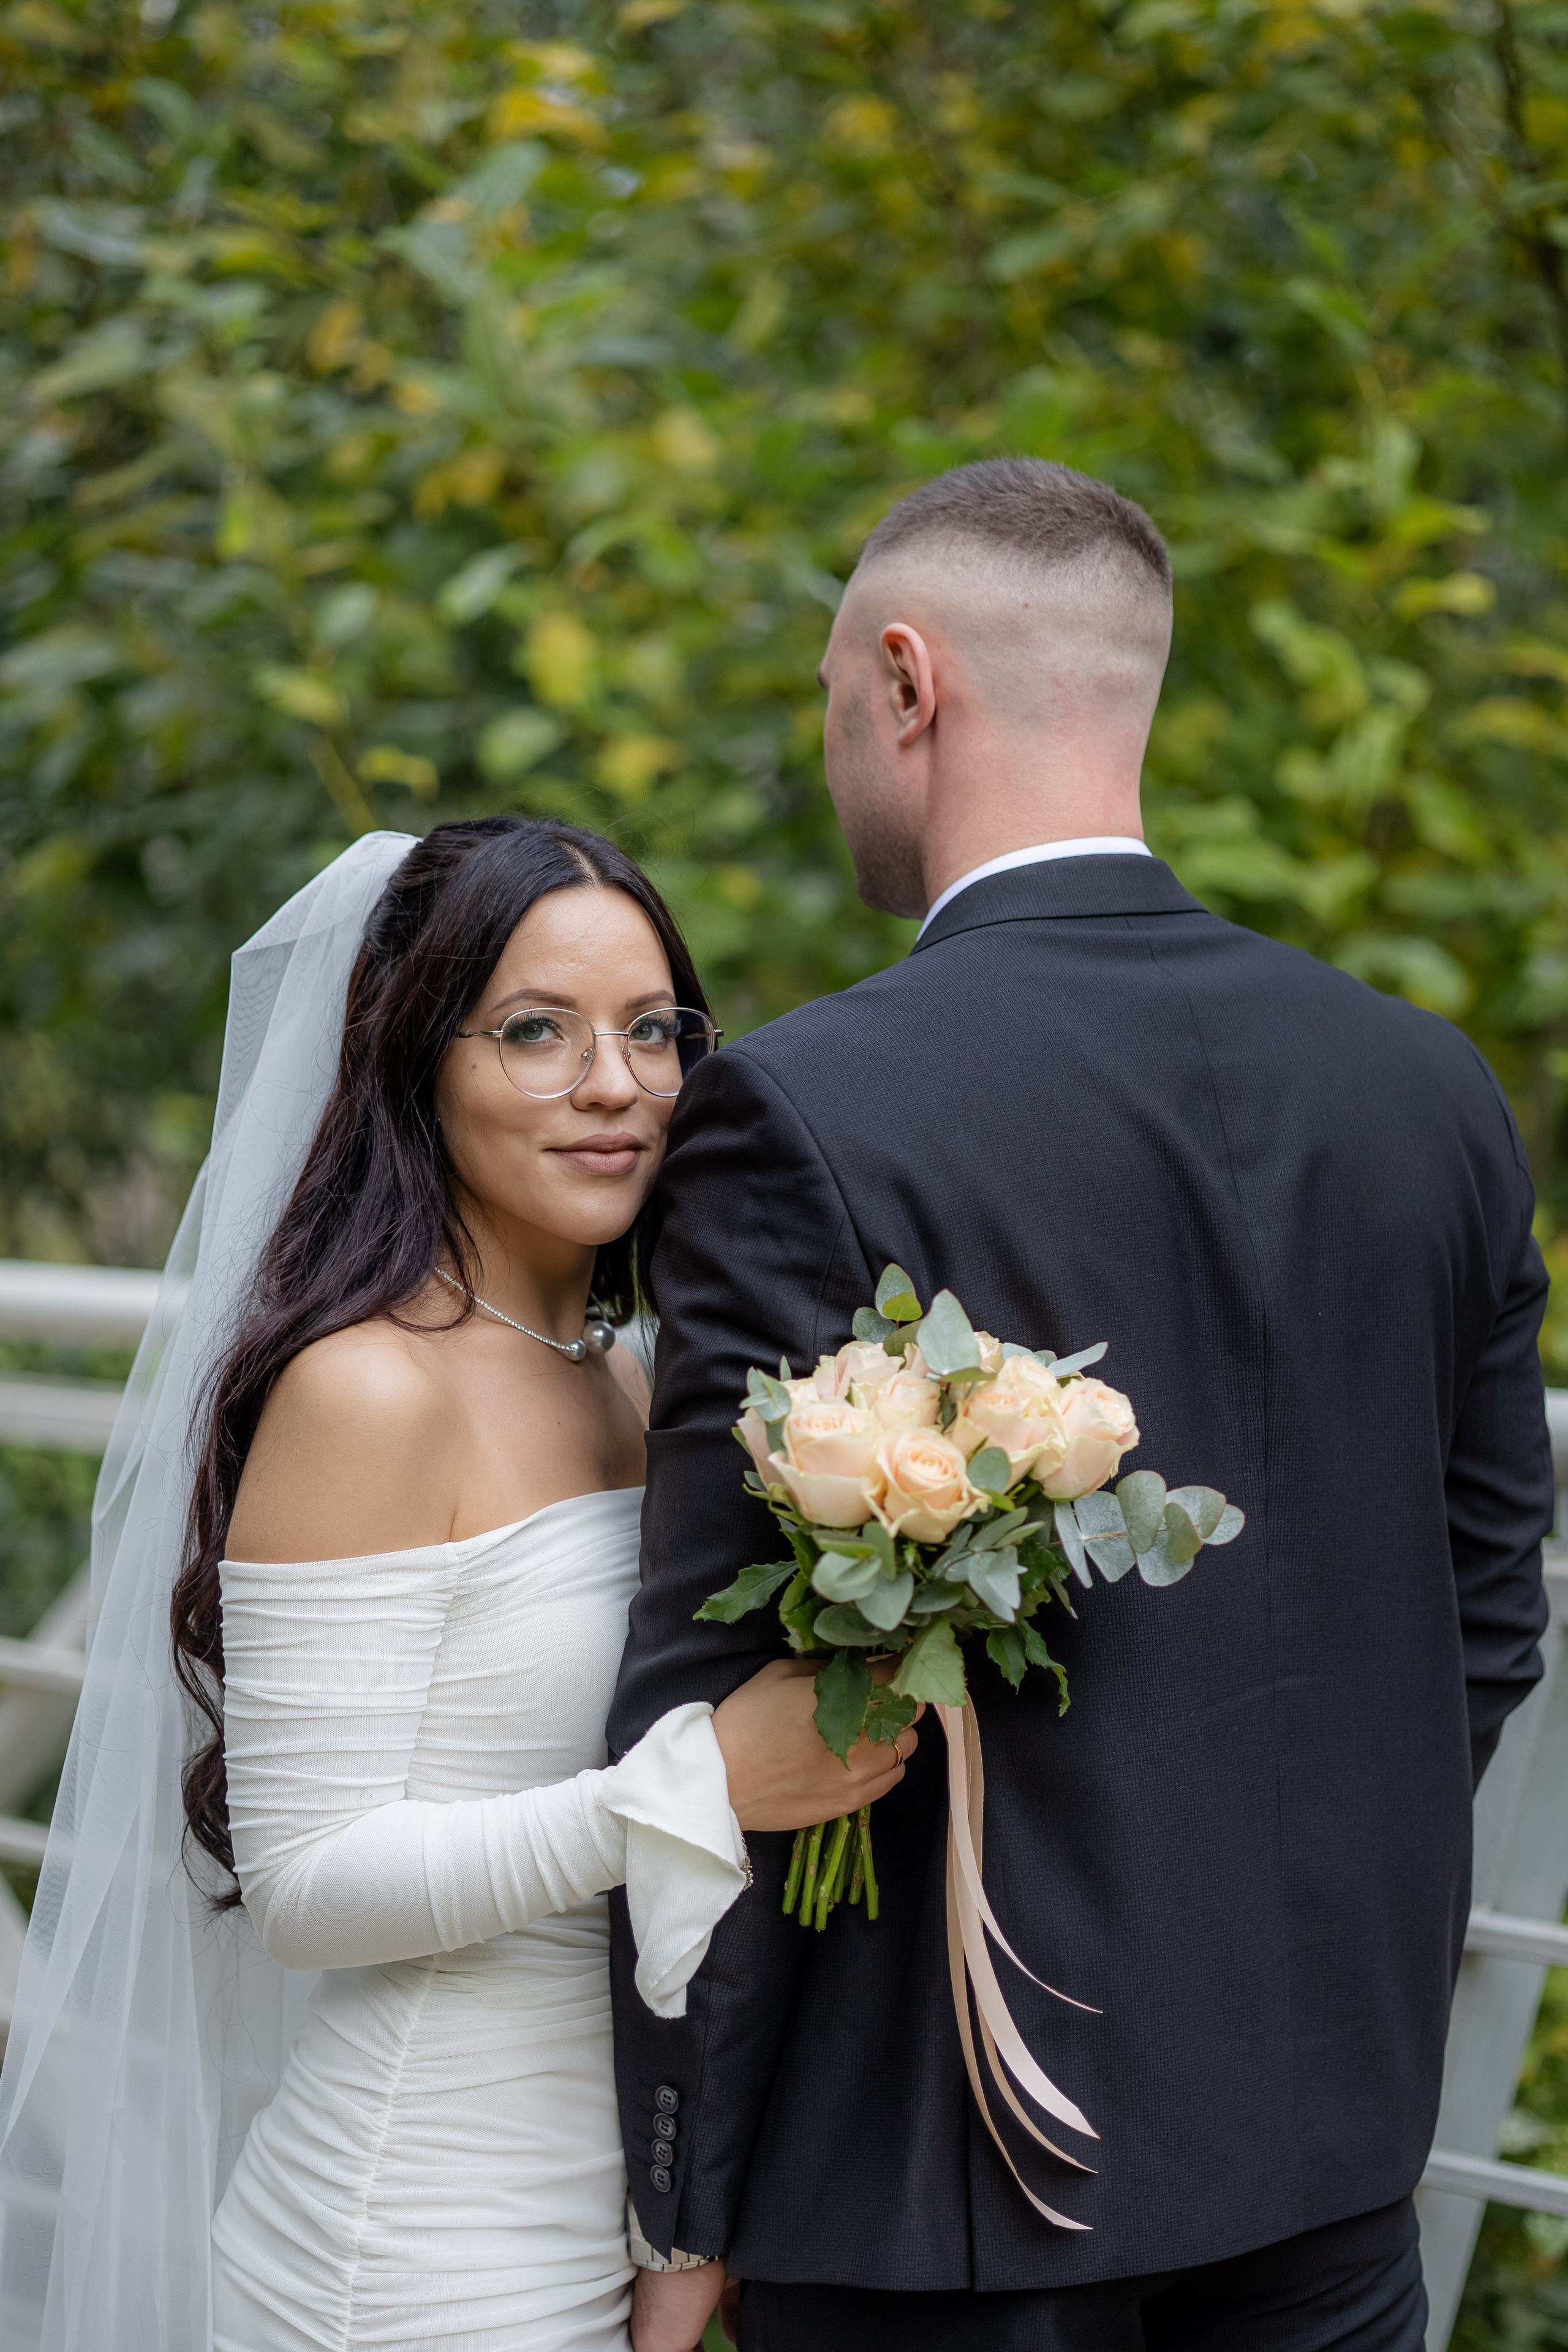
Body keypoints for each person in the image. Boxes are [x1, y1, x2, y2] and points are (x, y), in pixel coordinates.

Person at [609, 458, 1555, 2352]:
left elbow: (717, 1701)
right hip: (1326, 2138)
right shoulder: (1427, 1090)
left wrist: (679, 2192)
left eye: (824, 704)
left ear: (905, 681)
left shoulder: (802, 1113)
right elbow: (1488, 1597)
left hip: (938, 2189)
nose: (832, 750)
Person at [0, 818, 916, 2352]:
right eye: (536, 1033)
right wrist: (695, 1785)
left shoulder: (639, 1377)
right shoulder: (370, 1393)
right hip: (414, 2256)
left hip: (621, 2220)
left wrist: (680, 2218)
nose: (614, 1084)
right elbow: (307, 1889)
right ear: (416, 1057)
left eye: (650, 1031)